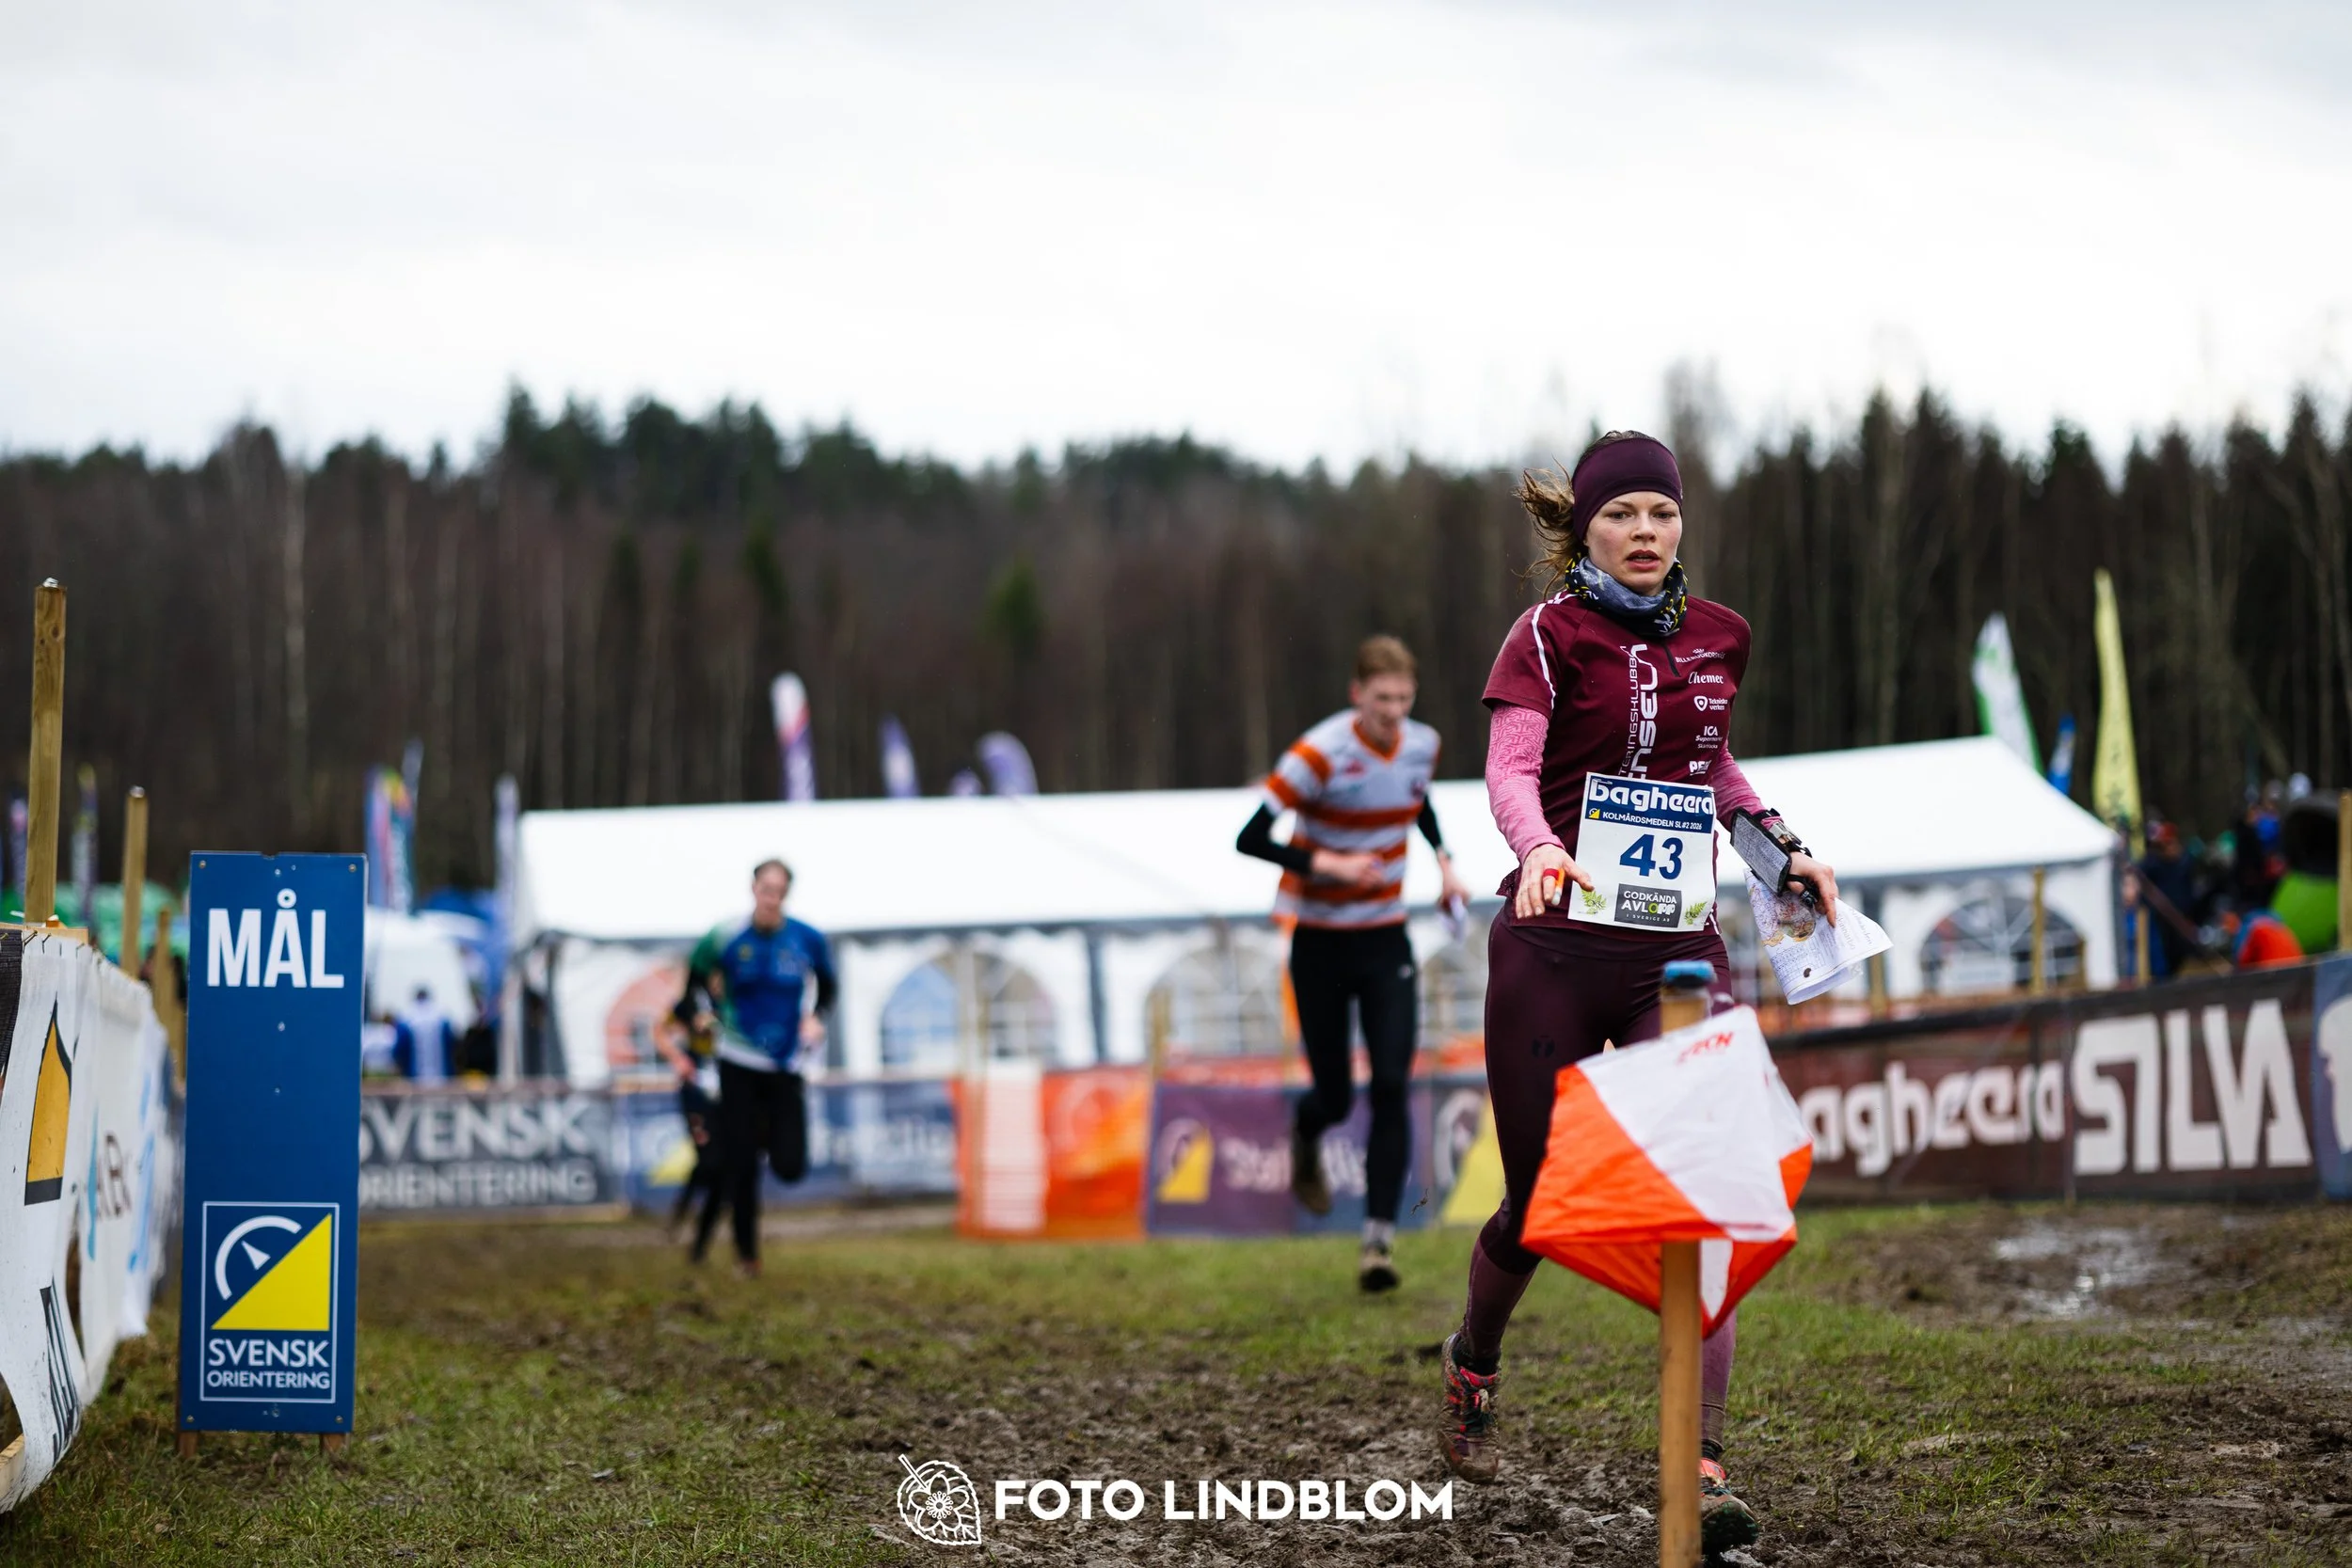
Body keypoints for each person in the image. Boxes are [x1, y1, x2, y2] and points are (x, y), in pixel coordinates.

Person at [1438, 432, 1838, 1559]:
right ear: (1585, 528)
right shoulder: (1547, 635)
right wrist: (1535, 848)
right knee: (1536, 1205)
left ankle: (1700, 1461)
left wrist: (1783, 851)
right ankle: (1474, 1358)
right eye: (1625, 516)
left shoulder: (1720, 637)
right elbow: (1510, 769)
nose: (1648, 532)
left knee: (1711, 1183)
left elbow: (1712, 773)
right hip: (1553, 948)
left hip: (1675, 953)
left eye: (1663, 513)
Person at [1235, 634, 1471, 1293]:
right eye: (1380, 700)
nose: (1392, 713)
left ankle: (1377, 1243)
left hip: (1385, 940)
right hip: (1319, 942)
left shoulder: (1422, 743)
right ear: (1356, 695)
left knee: (1393, 1082)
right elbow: (1249, 836)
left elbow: (1417, 799)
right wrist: (1326, 863)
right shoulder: (1320, 753)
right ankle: (1307, 1130)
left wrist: (1445, 860)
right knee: (1337, 1094)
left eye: (1403, 699)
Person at [688, 858, 836, 1277]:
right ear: (753, 889)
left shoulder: (806, 938)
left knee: (791, 1165)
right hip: (737, 1059)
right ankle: (747, 1255)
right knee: (740, 1165)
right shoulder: (725, 936)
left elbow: (829, 986)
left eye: (779, 890)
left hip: (785, 1062)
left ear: (787, 894)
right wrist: (704, 1014)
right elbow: (693, 983)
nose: (771, 897)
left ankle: (767, 1135)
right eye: (765, 888)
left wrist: (816, 1016)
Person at [655, 974, 725, 1242]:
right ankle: (684, 1218)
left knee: (718, 1162)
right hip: (697, 1092)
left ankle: (685, 1218)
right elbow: (660, 1028)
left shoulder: (738, 1003)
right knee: (708, 1159)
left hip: (728, 1092)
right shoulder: (690, 1003)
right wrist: (677, 1058)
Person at [393, 984, 453, 1085]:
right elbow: (451, 1044)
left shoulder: (406, 1016)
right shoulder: (442, 1015)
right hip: (442, 1077)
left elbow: (400, 1049)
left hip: (414, 1077)